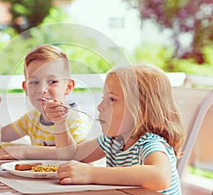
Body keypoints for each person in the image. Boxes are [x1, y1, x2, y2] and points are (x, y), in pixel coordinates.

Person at [44, 64, 185, 195]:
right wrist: (60, 122)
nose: (99, 106)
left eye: (111, 99)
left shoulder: (150, 142)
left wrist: (92, 174)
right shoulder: (112, 140)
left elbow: (160, 177)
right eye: (103, 98)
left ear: (141, 108)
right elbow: (71, 155)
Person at [0, 44, 91, 159]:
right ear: (25, 88)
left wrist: (27, 151)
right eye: (34, 82)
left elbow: (79, 155)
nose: (42, 89)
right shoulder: (32, 118)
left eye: (52, 81)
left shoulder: (76, 119)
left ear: (68, 87)